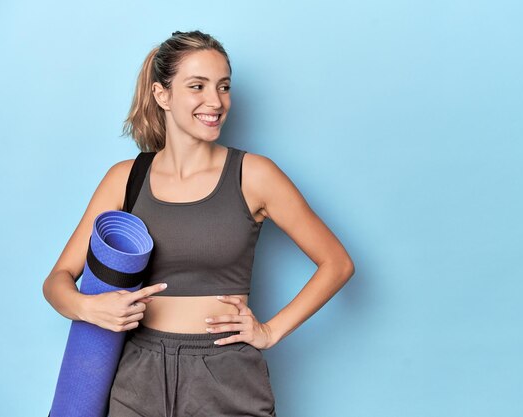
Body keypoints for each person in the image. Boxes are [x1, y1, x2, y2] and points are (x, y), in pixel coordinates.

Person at [42, 30, 355, 417]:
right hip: (137, 373)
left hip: (225, 373)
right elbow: (57, 281)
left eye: (224, 87)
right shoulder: (125, 178)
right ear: (162, 95)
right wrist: (89, 309)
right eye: (198, 86)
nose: (216, 101)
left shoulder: (254, 175)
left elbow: (337, 263)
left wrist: (270, 331)